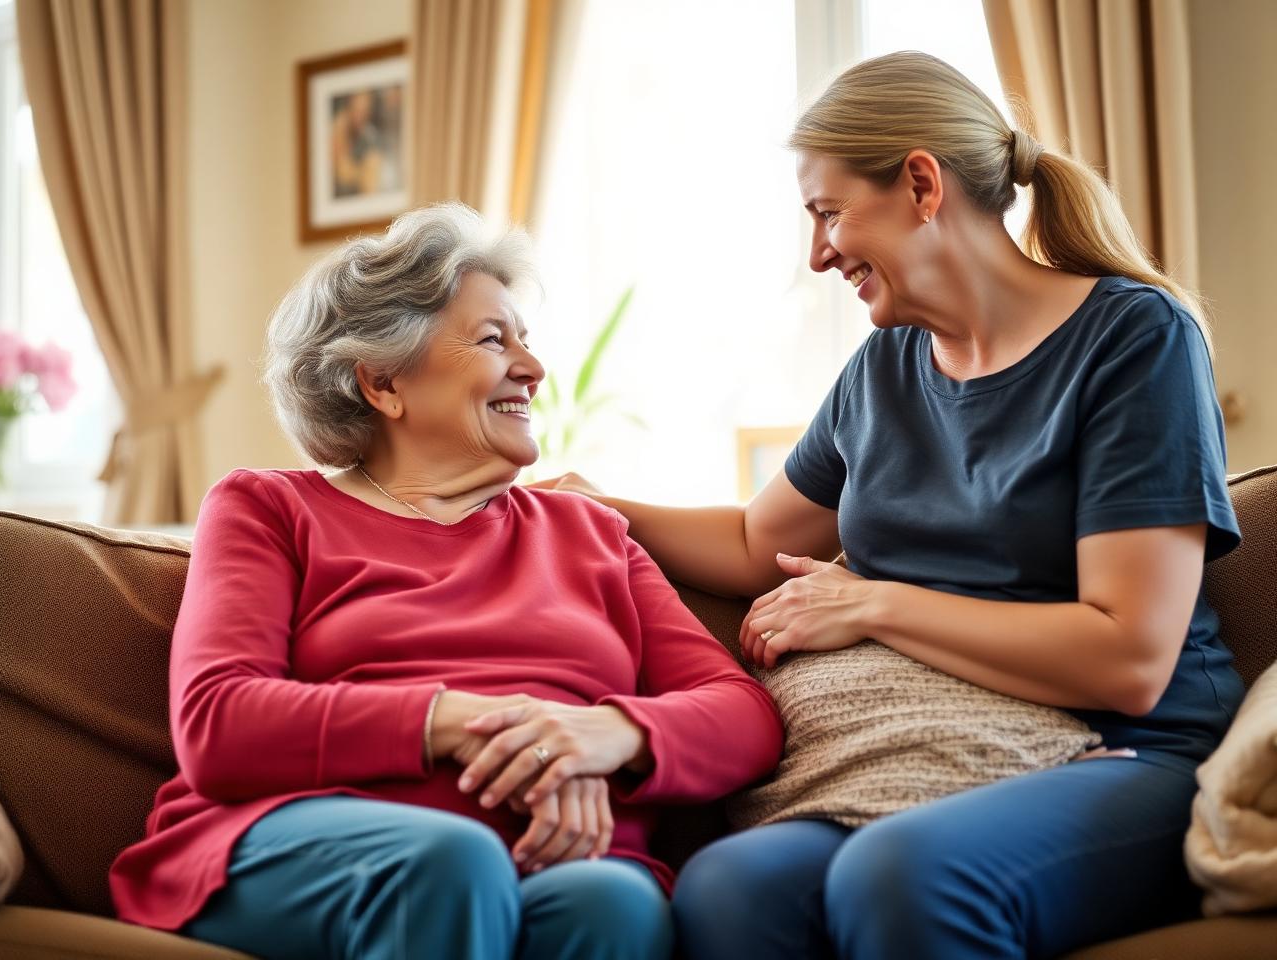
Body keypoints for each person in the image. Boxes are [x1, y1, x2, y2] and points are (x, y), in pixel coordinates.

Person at [535, 51, 1242, 959]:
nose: (818, 252)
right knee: (728, 886)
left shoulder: (1135, 340)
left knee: (902, 873)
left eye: (829, 213)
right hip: (933, 746)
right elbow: (759, 540)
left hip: (1127, 751)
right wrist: (596, 506)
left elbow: (1129, 656)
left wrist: (871, 602)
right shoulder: (882, 371)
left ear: (920, 183)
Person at [107, 203, 783, 960]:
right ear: (384, 383)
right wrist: (484, 724)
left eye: (526, 341)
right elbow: (219, 721)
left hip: (556, 858)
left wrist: (602, 734)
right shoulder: (271, 509)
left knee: (614, 902)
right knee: (451, 864)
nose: (533, 368)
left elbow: (742, 715)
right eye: (495, 340)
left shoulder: (588, 532)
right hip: (314, 842)